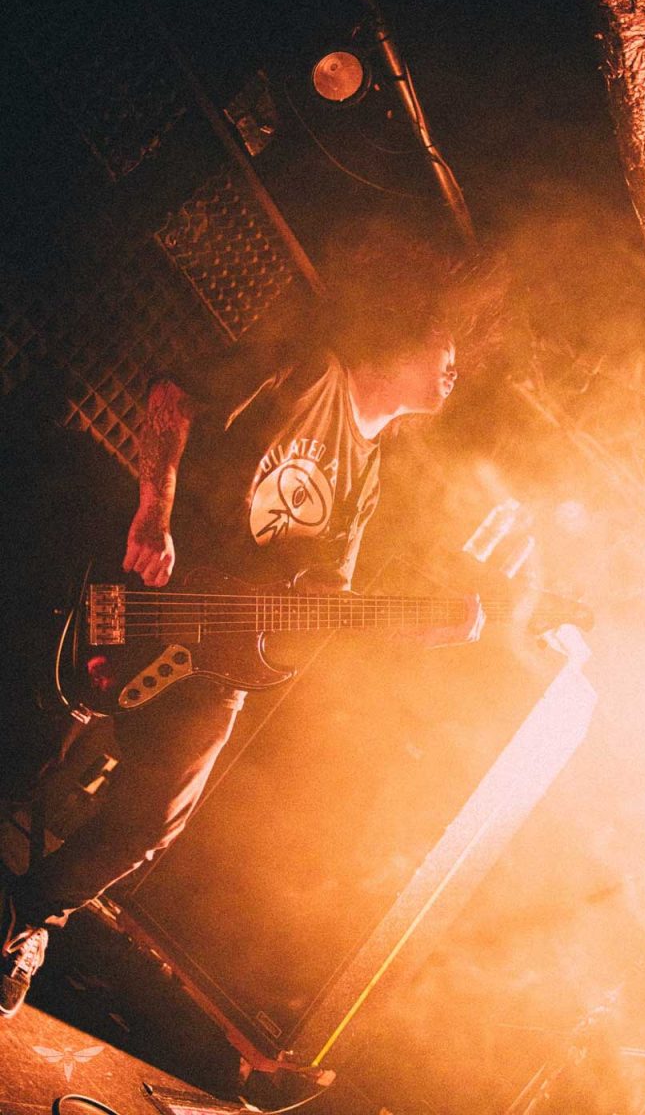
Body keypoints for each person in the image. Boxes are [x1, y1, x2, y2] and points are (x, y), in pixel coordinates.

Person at [0, 308, 484, 1018]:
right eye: (447, 349)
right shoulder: (309, 366)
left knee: (158, 815)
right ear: (404, 331)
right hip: (145, 577)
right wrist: (154, 514)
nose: (456, 370)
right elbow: (172, 397)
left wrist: (397, 626)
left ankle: (25, 917)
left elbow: (323, 597)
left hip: (213, 651)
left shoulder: (368, 472)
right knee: (33, 728)